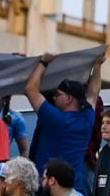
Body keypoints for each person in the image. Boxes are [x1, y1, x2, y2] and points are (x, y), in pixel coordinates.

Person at [26, 58, 101, 187]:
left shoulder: (54, 118)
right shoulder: (87, 119)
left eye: (57, 94)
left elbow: (30, 89)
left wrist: (44, 62)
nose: (54, 98)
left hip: (48, 187)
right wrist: (98, 66)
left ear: (68, 98)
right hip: (74, 187)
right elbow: (94, 93)